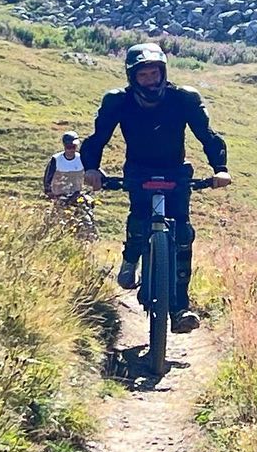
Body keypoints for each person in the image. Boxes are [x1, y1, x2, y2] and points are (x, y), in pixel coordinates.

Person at [81, 43, 231, 334]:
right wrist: (91, 168)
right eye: (143, 76)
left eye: (154, 73)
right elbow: (98, 137)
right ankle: (129, 260)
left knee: (183, 235)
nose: (150, 80)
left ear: (163, 73)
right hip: (138, 170)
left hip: (175, 171)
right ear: (132, 78)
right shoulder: (117, 102)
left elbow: (207, 135)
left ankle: (180, 309)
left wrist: (220, 169)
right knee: (139, 217)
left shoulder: (184, 99)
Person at [43, 131, 96, 238]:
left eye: (74, 146)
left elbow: (93, 171)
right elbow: (47, 178)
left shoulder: (82, 158)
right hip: (59, 197)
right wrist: (50, 193)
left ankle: (88, 239)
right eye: (69, 146)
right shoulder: (56, 159)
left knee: (86, 219)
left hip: (76, 196)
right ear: (64, 145)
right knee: (55, 223)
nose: (71, 149)